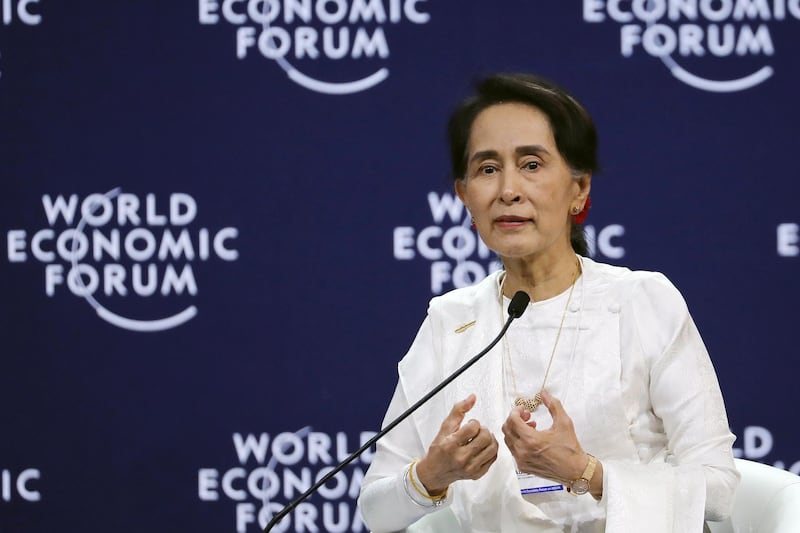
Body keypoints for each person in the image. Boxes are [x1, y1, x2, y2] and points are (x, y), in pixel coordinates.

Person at [357, 73, 739, 532]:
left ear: (579, 188)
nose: (508, 190)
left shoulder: (642, 303)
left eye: (532, 164)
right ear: (464, 196)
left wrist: (586, 472)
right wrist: (431, 476)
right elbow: (376, 511)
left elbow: (720, 492)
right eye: (487, 169)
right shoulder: (452, 322)